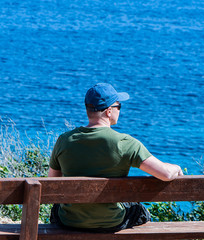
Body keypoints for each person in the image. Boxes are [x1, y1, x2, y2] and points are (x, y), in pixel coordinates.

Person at [48, 83, 183, 232]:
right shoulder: (125, 143)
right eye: (119, 106)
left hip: (69, 220)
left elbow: (52, 184)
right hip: (111, 221)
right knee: (140, 211)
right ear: (109, 111)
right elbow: (165, 174)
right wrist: (176, 167)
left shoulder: (64, 140)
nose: (120, 110)